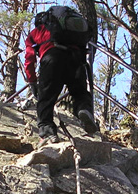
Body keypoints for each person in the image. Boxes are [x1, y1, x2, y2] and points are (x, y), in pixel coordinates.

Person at [23, 11, 97, 146]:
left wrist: (32, 81)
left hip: (52, 58)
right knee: (80, 92)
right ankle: (83, 109)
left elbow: (29, 58)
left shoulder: (36, 32)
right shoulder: (69, 32)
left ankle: (48, 133)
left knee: (45, 98)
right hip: (76, 59)